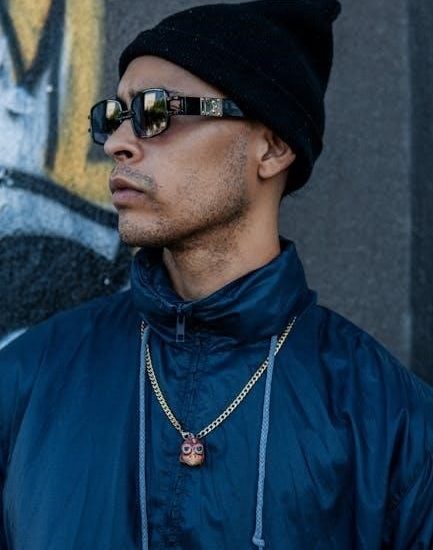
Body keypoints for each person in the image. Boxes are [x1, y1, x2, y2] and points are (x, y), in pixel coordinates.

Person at [1, 0, 432, 548]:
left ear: (271, 147)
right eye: (114, 117)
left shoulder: (392, 423)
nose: (117, 143)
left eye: (156, 111)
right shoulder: (27, 381)